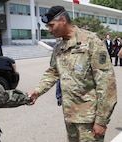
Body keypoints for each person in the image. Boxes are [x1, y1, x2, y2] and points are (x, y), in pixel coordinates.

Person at [29, 6, 117, 142]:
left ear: (63, 20)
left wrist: (102, 120)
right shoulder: (59, 47)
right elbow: (53, 72)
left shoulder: (91, 41)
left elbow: (106, 84)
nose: (50, 30)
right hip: (70, 115)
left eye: (52, 25)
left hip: (89, 119)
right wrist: (38, 91)